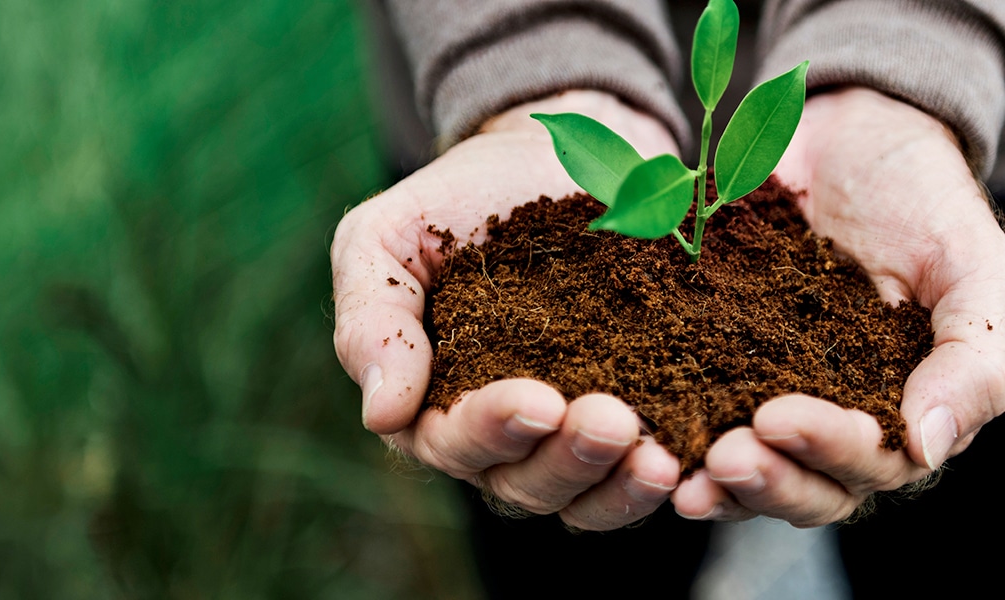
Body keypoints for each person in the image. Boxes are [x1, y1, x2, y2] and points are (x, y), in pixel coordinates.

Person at [332, 0, 1005, 595]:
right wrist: (533, 53)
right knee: (573, 546)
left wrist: (910, 51)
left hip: (939, 117)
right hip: (480, 91)